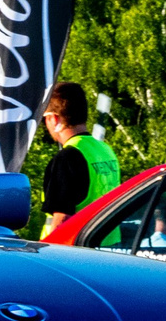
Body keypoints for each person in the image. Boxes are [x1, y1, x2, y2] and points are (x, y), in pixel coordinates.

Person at [37, 82, 121, 233]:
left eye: (45, 118)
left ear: (55, 119)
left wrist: (48, 252)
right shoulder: (105, 150)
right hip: (107, 245)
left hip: (73, 251)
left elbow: (62, 218)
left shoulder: (66, 158)